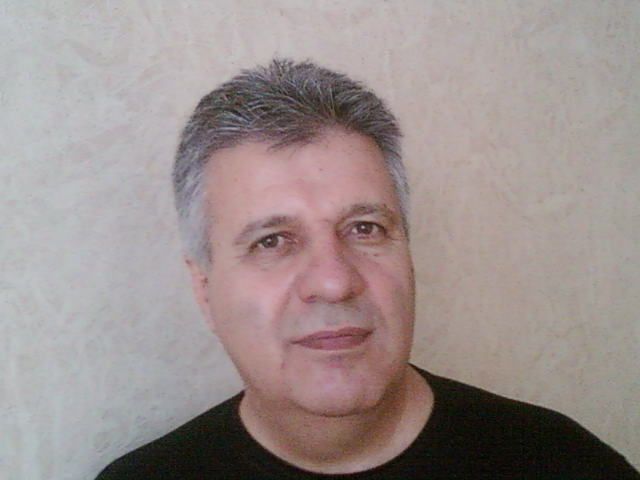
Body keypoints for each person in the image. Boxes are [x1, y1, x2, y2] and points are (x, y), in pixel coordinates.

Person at [96, 59, 639, 479]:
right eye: (272, 241)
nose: (334, 281)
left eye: (365, 228)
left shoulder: (565, 465)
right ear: (204, 289)